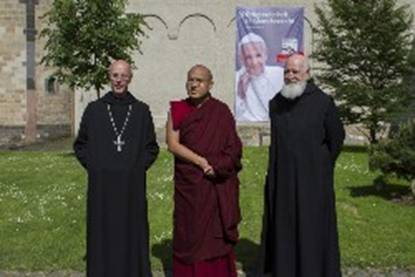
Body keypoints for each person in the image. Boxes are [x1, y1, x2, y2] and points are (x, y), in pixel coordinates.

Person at [258, 54, 345, 277]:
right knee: (284, 230)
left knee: (312, 231)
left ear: (307, 73)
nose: (290, 76)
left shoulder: (323, 102)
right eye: (286, 71)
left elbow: (336, 138)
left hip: (313, 181)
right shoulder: (276, 103)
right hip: (283, 180)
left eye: (295, 71)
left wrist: (320, 165)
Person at [74, 60, 159, 277]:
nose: (119, 80)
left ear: (130, 78)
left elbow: (151, 148)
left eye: (123, 76)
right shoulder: (94, 110)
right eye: (115, 75)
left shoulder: (141, 111)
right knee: (104, 232)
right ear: (109, 78)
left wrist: (137, 168)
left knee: (130, 232)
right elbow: (81, 145)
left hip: (131, 186)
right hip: (102, 186)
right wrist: (95, 167)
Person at [166, 64, 242, 277]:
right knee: (189, 231)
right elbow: (173, 144)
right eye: (190, 79)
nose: (194, 84)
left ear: (210, 84)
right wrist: (202, 162)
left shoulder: (221, 111)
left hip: (214, 183)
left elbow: (234, 148)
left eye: (199, 80)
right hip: (190, 184)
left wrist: (217, 166)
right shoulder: (178, 109)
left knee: (214, 234)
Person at [235, 32, 284, 122]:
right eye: (248, 57)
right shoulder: (236, 78)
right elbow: (234, 115)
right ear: (241, 59)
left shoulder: (279, 74)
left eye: (258, 55)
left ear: (266, 55)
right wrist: (240, 93)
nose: (254, 62)